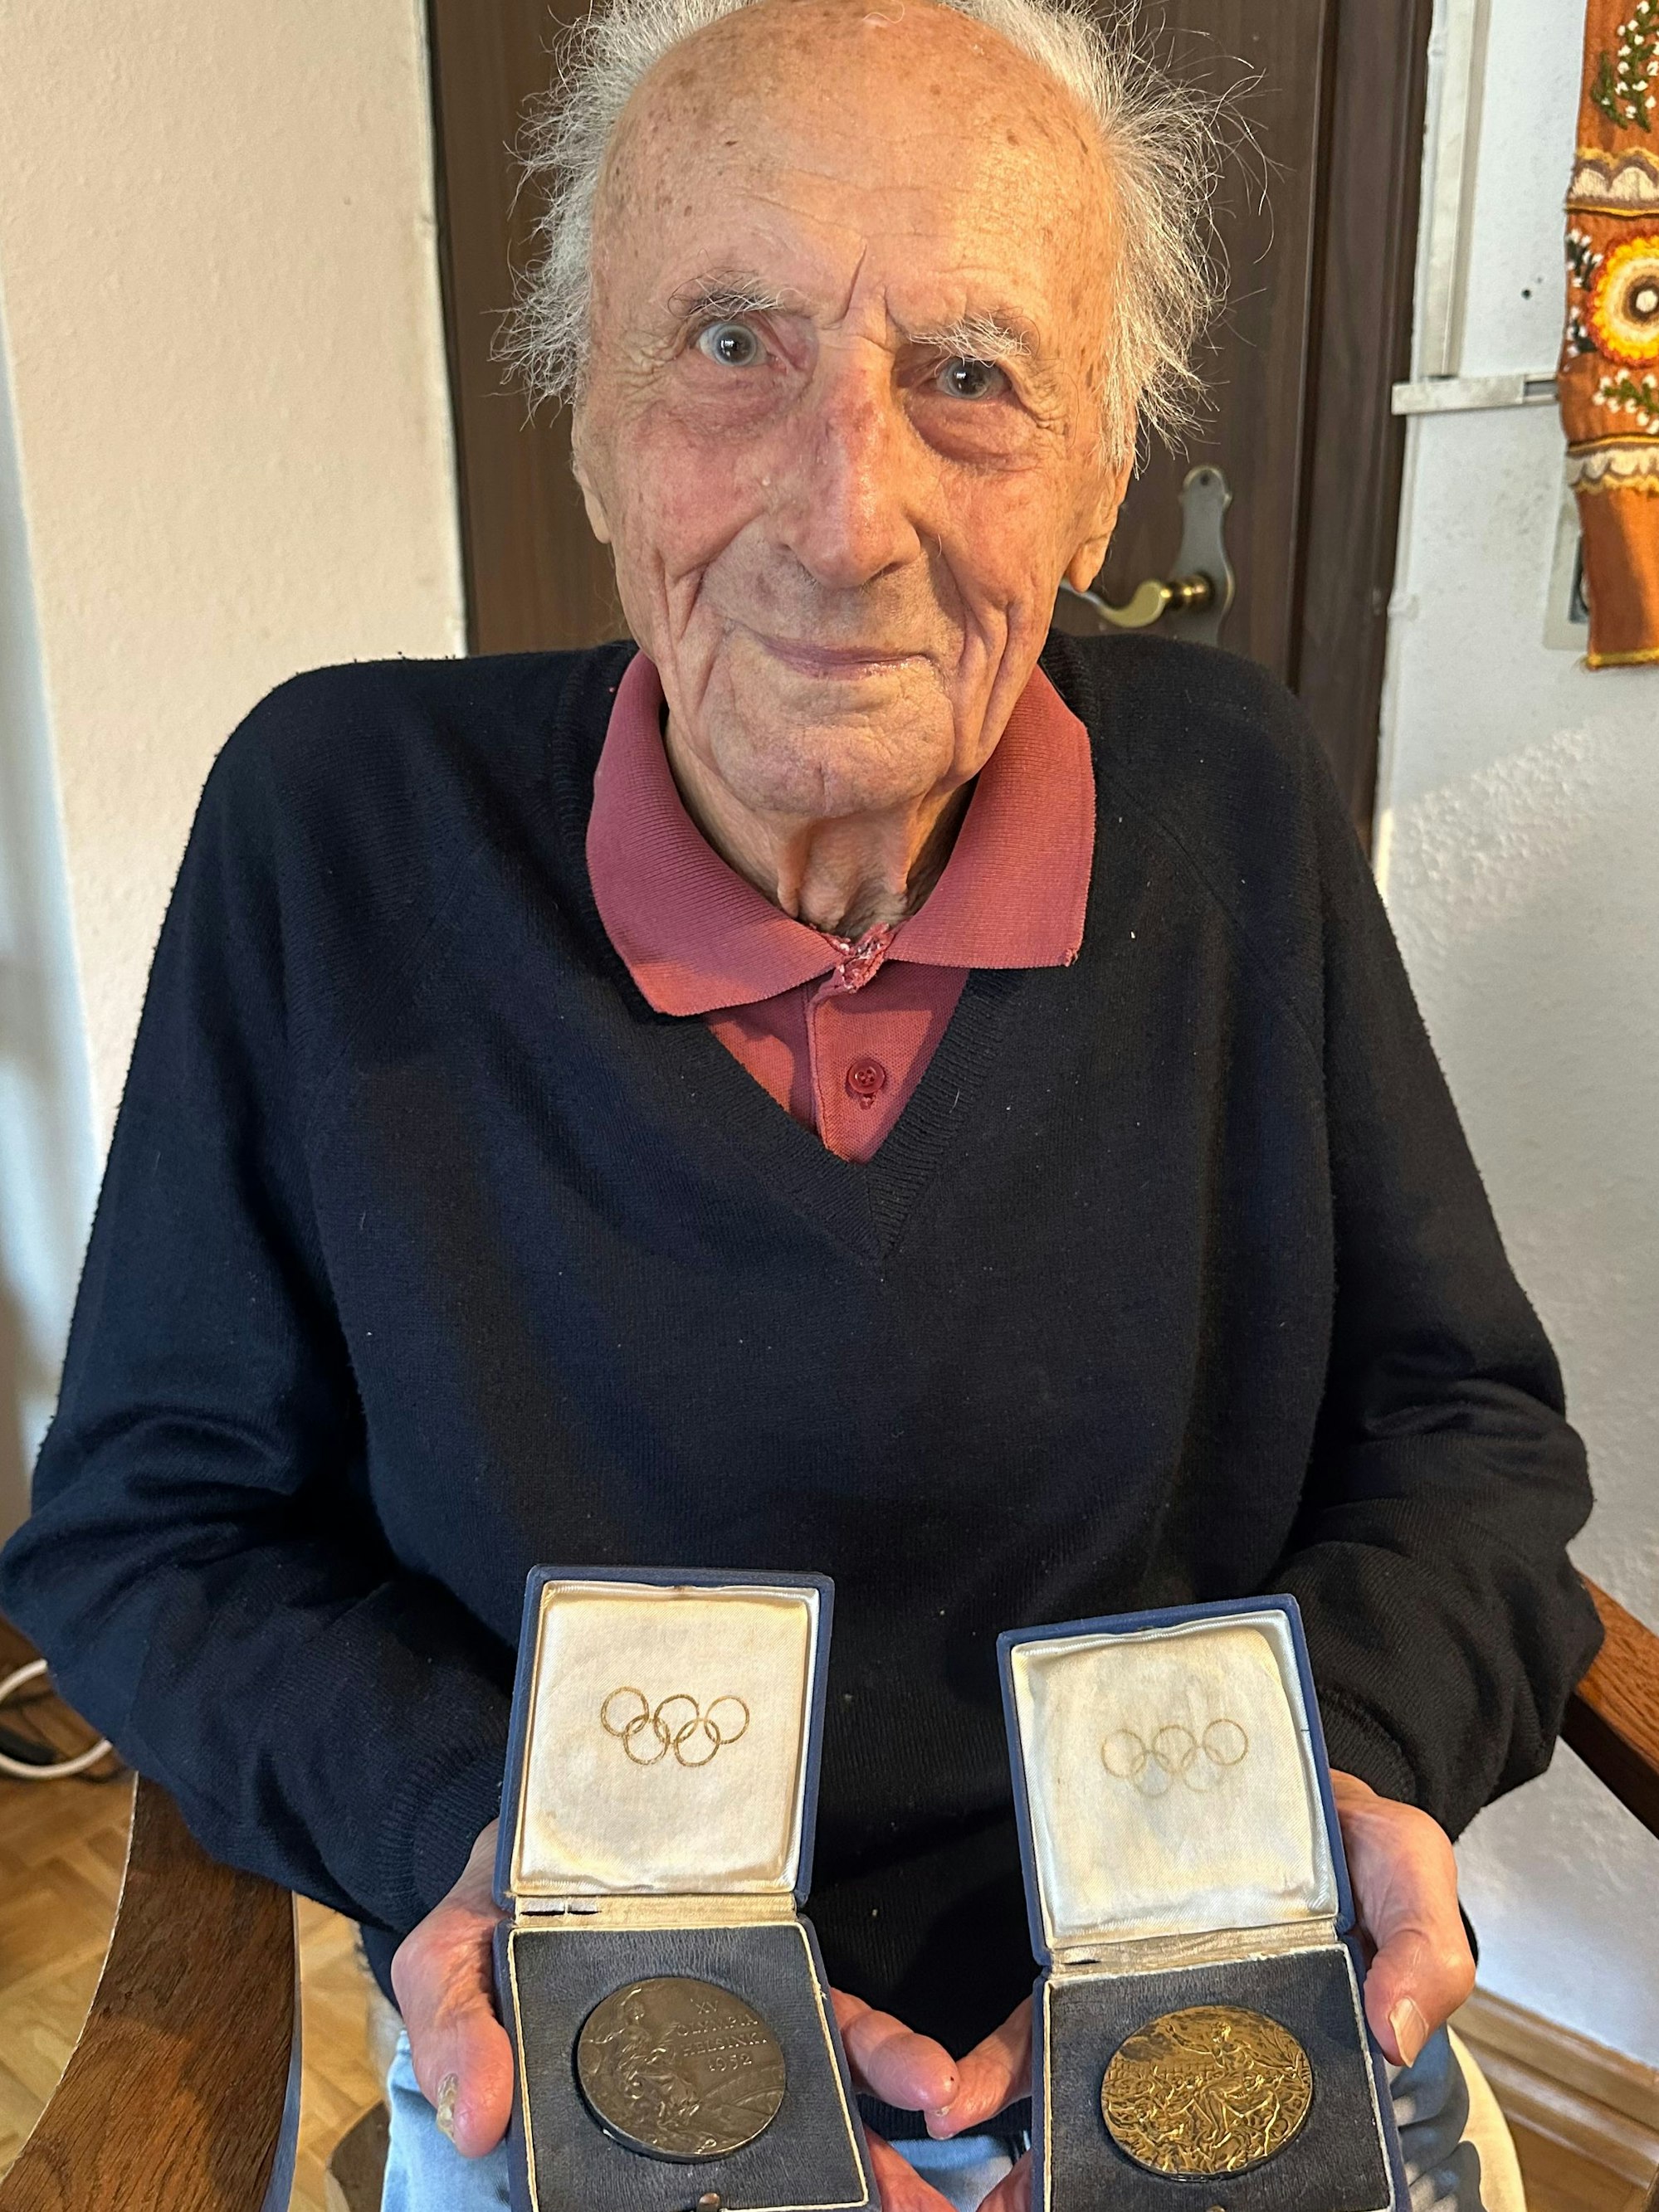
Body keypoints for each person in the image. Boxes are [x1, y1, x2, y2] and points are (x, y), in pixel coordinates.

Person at [0, 0, 1601, 2206]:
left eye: (966, 374)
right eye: (731, 345)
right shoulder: (332, 830)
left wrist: (1330, 1790)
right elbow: (146, 1523)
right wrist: (494, 1839)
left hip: (1198, 2010)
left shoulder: (1234, 808)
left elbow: (1470, 1441)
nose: (844, 518)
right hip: (563, 2000)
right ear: (589, 430)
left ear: (1103, 468)